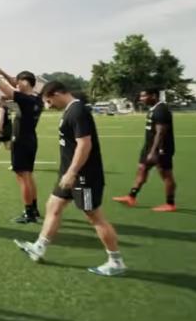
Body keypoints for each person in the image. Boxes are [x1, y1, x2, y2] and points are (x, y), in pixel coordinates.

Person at [14, 81, 126, 276]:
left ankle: (116, 261)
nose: (49, 106)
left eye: (49, 101)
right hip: (69, 174)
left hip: (83, 176)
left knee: (94, 216)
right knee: (53, 206)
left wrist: (73, 172)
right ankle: (39, 246)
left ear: (57, 93)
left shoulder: (77, 112)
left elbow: (84, 145)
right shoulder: (70, 111)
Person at [0, 64, 44, 224]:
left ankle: (29, 213)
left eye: (19, 81)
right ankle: (33, 208)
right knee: (28, 176)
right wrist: (3, 72)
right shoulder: (36, 99)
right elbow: (13, 88)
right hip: (30, 140)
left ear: (25, 82)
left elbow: (3, 86)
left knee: (22, 177)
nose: (17, 84)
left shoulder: (24, 98)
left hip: (20, 141)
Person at [113, 88, 177, 212]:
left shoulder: (161, 110)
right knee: (142, 169)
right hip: (149, 147)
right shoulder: (153, 109)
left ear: (153, 96)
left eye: (144, 96)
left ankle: (170, 204)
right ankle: (131, 197)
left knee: (166, 175)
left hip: (161, 149)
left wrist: (153, 152)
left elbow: (160, 133)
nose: (141, 99)